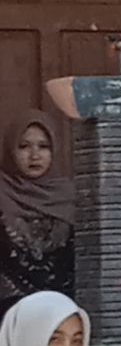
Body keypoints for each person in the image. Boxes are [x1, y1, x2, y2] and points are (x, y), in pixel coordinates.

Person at [0, 110, 73, 314]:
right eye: (24, 146)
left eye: (43, 146)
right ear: (10, 149)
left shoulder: (71, 197)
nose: (34, 155)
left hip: (63, 314)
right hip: (7, 315)